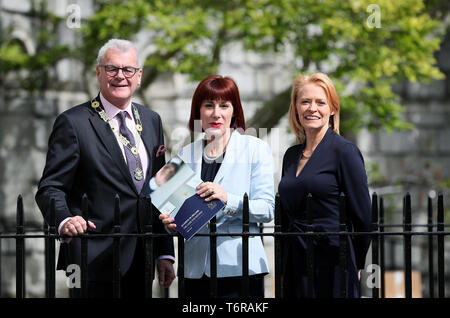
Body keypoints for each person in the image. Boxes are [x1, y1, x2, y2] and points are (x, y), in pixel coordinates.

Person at [35, 39, 175, 298]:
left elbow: (159, 189)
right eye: (112, 69)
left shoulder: (152, 120)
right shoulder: (73, 122)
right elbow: (50, 187)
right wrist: (65, 219)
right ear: (99, 73)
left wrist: (165, 251)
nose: (120, 76)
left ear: (139, 76)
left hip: (141, 257)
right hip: (91, 257)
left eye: (128, 69)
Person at [159, 75, 275, 298]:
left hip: (240, 269)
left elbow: (267, 209)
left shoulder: (255, 148)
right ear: (198, 111)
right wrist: (169, 222)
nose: (216, 113)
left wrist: (227, 199)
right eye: (208, 105)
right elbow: (175, 212)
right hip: (195, 271)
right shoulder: (185, 153)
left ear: (234, 111)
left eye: (224, 105)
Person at [278, 73, 372, 298]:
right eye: (305, 102)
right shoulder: (291, 155)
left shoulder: (345, 152)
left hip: (333, 260)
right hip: (295, 260)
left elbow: (364, 217)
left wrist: (355, 262)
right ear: (296, 108)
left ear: (332, 109)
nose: (312, 108)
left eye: (320, 102)